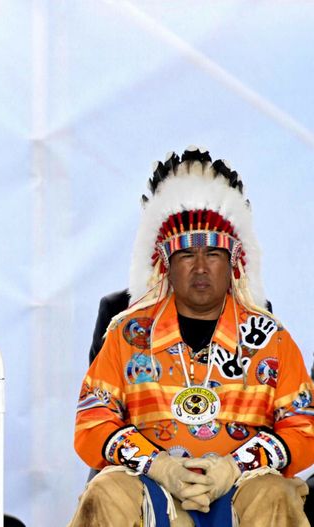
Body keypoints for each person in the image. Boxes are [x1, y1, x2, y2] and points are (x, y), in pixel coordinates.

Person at [69, 147, 314, 526]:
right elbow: (92, 421)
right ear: (166, 265)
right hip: (147, 481)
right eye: (186, 255)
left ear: (233, 262)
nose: (200, 267)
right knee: (105, 494)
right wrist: (159, 465)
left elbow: (302, 426)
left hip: (244, 484)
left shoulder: (271, 338)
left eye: (213, 253)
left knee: (276, 495)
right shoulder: (127, 334)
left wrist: (234, 466)